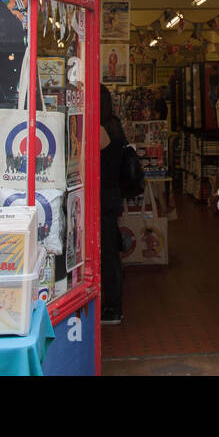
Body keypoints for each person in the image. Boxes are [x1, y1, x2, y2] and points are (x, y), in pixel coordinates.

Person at [99, 84, 128, 325]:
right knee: (111, 251)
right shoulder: (115, 124)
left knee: (107, 253)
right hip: (112, 194)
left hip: (103, 196)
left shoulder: (100, 130)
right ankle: (113, 304)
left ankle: (112, 308)